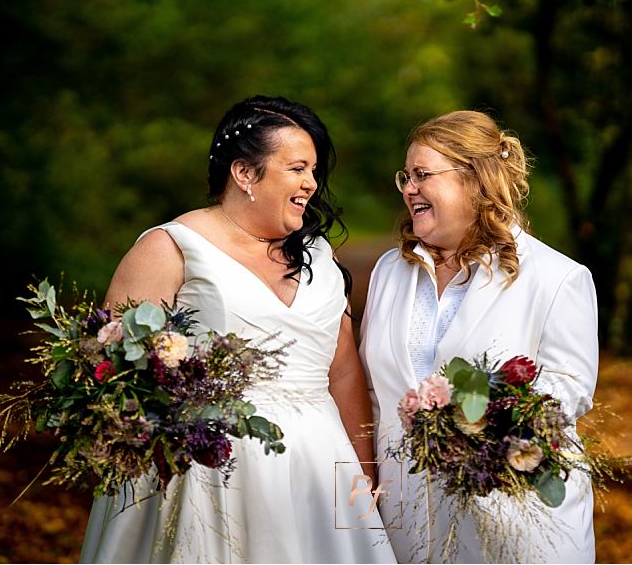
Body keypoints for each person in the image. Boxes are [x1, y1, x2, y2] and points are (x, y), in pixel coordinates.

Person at [81, 95, 396, 563]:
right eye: (297, 168)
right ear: (245, 173)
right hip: (206, 476)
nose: (311, 184)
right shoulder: (172, 248)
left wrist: (363, 475)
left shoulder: (322, 261)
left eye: (313, 171)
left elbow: (344, 372)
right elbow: (107, 369)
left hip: (318, 470)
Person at [359, 110, 599, 563]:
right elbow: (371, 390)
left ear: (476, 180)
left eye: (423, 175)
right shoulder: (389, 272)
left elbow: (569, 392)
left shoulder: (557, 277)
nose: (409, 189)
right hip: (404, 519)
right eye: (405, 177)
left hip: (511, 518)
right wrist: (356, 502)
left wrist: (473, 417)